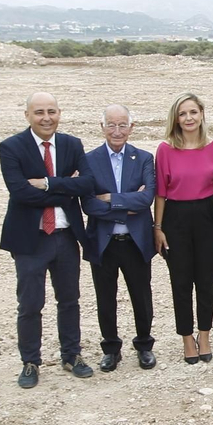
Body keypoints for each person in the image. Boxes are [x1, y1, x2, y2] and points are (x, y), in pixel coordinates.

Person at [0, 91, 97, 388]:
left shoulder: (72, 144)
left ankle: (71, 355)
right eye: (39, 112)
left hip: (66, 237)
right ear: (27, 115)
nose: (46, 117)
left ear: (59, 113)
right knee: (30, 304)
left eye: (51, 111)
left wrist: (47, 183)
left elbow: (88, 183)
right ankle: (30, 361)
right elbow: (20, 193)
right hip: (30, 239)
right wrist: (66, 186)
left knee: (69, 300)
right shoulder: (11, 147)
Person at [81, 104, 157, 372]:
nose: (117, 131)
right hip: (104, 243)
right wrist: (127, 204)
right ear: (102, 127)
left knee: (141, 296)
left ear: (131, 127)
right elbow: (89, 204)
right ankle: (111, 349)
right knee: (105, 298)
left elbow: (147, 198)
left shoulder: (145, 158)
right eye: (111, 125)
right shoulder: (88, 160)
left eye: (122, 125)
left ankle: (145, 346)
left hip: (136, 242)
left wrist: (111, 199)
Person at [153, 93, 213, 364]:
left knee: (206, 281)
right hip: (175, 217)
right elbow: (160, 192)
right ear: (176, 118)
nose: (188, 118)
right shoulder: (165, 149)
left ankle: (204, 334)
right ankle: (186, 338)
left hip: (208, 214)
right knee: (181, 281)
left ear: (202, 114)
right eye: (183, 114)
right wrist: (158, 227)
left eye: (193, 112)